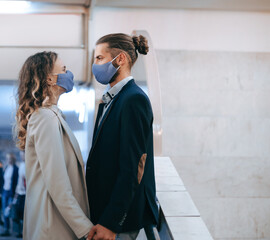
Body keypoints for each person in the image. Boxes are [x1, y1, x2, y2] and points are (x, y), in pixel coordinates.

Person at [86, 33, 159, 240]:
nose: (95, 64)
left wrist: (111, 222)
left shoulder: (133, 99)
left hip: (119, 223)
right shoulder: (113, 100)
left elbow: (133, 166)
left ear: (120, 59)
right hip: (105, 214)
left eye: (100, 58)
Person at [15, 51, 93, 240]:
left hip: (54, 223)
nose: (69, 74)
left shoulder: (51, 116)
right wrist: (86, 229)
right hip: (53, 227)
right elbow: (58, 185)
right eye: (64, 70)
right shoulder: (45, 118)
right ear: (49, 79)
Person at [1, 152, 18, 236]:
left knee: (10, 211)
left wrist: (15, 194)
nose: (8, 160)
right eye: (7, 159)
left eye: (10, 159)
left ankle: (15, 230)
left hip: (11, 193)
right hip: (5, 191)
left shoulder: (15, 169)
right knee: (4, 211)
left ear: (13, 160)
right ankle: (6, 229)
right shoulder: (6, 167)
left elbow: (16, 182)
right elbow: (3, 180)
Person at [12, 151, 26, 238]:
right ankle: (20, 231)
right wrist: (16, 194)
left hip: (26, 193)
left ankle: (24, 232)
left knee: (24, 214)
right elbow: (19, 181)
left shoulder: (28, 164)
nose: (21, 157)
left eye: (23, 155)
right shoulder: (21, 165)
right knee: (18, 213)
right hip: (20, 193)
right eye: (20, 155)